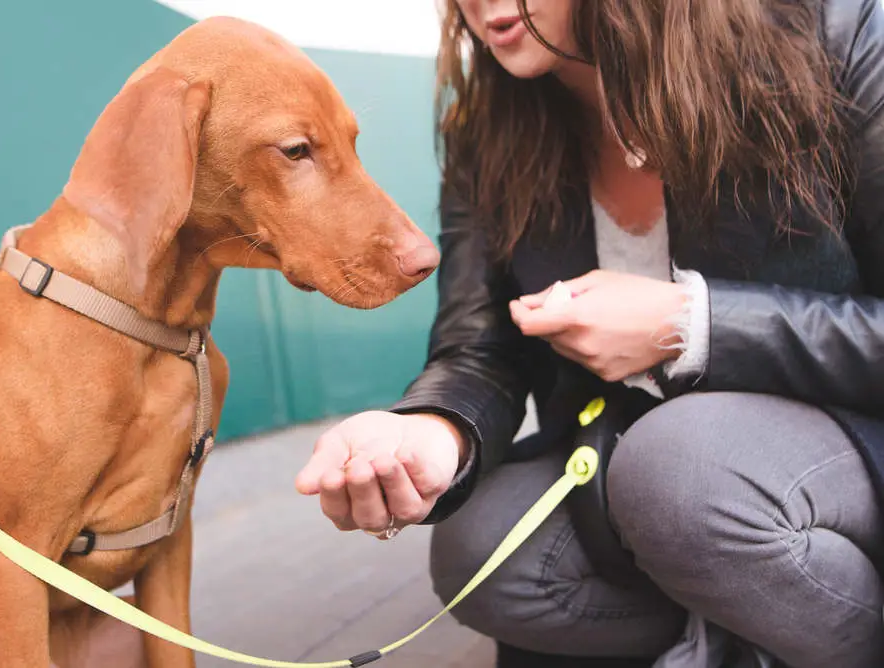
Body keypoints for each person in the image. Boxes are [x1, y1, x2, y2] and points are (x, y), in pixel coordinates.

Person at [295, 0, 884, 666]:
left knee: (678, 472)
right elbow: (479, 347)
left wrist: (693, 326)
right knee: (483, 547)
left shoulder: (836, 31)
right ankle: (729, 634)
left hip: (837, 445)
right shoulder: (486, 124)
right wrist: (433, 429)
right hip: (636, 475)